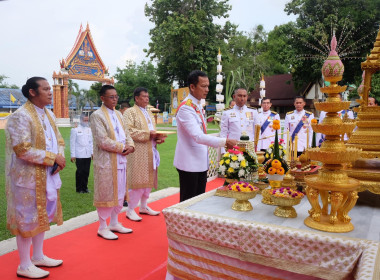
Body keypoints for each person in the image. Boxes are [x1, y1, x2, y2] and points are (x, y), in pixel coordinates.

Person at [5, 77, 66, 279]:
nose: (51, 92)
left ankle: (38, 256)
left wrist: (60, 159)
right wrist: (52, 158)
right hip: (27, 178)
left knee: (42, 216)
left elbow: (59, 140)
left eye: (51, 88)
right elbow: (22, 149)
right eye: (46, 89)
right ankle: (24, 264)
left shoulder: (48, 114)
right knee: (26, 219)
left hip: (47, 174)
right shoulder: (21, 116)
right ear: (33, 92)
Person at [174, 70, 237, 202]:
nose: (207, 89)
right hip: (189, 163)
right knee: (188, 203)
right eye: (203, 86)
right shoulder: (186, 107)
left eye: (208, 86)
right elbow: (197, 136)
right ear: (192, 87)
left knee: (198, 201)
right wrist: (224, 141)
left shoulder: (197, 105)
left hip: (201, 162)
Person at [90, 85, 135, 240]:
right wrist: (123, 147)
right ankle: (102, 226)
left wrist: (131, 145)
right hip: (107, 161)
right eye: (111, 97)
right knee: (106, 192)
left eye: (116, 96)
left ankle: (115, 222)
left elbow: (126, 133)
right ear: (102, 98)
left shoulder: (118, 114)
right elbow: (102, 140)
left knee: (120, 191)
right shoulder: (97, 115)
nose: (115, 99)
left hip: (121, 159)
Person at [124, 87, 166, 221]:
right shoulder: (130, 112)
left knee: (149, 180)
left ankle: (143, 206)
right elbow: (128, 131)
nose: (147, 99)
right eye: (144, 96)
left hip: (151, 150)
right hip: (138, 152)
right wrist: (149, 134)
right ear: (136, 98)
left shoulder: (148, 113)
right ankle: (130, 210)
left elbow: (153, 131)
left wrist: (158, 138)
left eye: (148, 96)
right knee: (138, 181)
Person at [220, 88, 258, 153]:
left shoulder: (253, 112)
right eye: (240, 96)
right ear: (234, 97)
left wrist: (256, 148)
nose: (242, 98)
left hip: (249, 149)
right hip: (234, 148)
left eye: (244, 96)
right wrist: (223, 151)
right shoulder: (227, 113)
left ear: (247, 97)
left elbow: (257, 132)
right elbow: (223, 132)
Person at [70, 113, 93, 193]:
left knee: (86, 171)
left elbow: (91, 142)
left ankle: (85, 187)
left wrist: (92, 152)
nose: (86, 122)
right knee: (80, 171)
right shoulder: (75, 130)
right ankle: (79, 188)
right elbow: (72, 143)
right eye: (84, 120)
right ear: (80, 120)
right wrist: (73, 155)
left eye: (87, 120)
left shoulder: (89, 130)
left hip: (87, 154)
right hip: (79, 153)